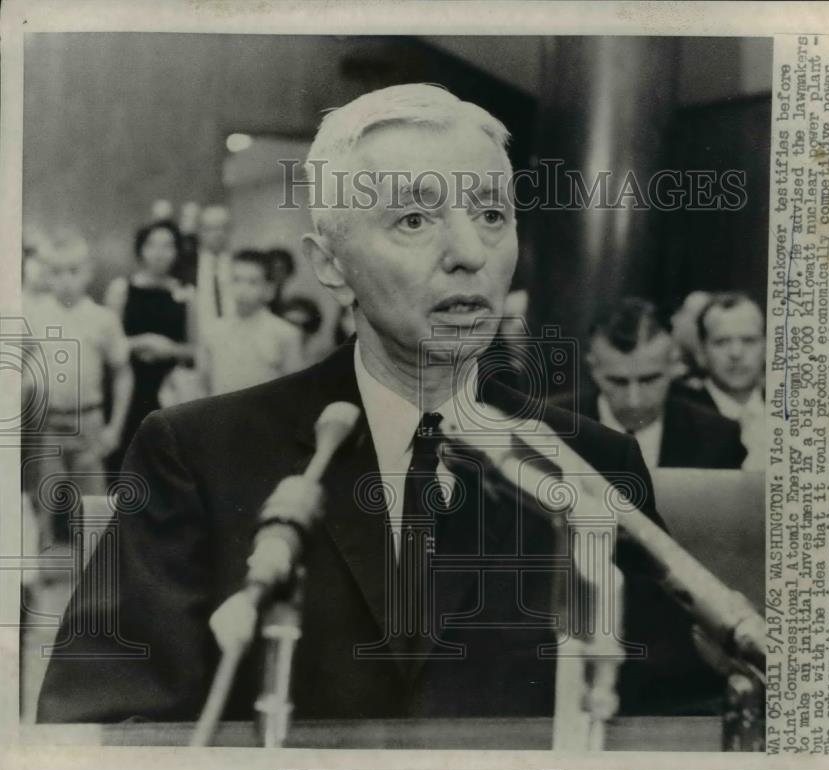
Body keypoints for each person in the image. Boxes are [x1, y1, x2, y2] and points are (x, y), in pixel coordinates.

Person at [38, 85, 718, 724]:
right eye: (415, 219)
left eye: (491, 214)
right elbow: (101, 721)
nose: (468, 253)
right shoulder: (196, 455)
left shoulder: (590, 461)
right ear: (331, 264)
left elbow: (678, 719)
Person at [22, 231, 133, 549]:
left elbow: (123, 373)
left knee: (94, 505)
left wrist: (115, 427)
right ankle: (36, 581)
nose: (65, 281)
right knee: (42, 500)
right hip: (47, 425)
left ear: (88, 273)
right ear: (46, 275)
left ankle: (93, 576)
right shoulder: (34, 315)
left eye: (73, 271)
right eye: (56, 273)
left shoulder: (103, 319)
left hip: (90, 422)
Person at [581, 297, 746, 471]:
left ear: (674, 365)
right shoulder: (552, 428)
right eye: (617, 382)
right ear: (593, 369)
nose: (634, 401)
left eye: (649, 380)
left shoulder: (718, 437)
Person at [104, 220, 195, 475]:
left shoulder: (185, 293)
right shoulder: (121, 289)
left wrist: (170, 350)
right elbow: (107, 343)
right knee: (123, 462)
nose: (159, 252)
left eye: (167, 246)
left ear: (177, 252)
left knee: (162, 462)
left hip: (168, 388)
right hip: (127, 386)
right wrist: (140, 342)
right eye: (152, 245)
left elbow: (195, 349)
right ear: (141, 249)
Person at [672, 293, 767, 470]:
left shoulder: (790, 412)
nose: (736, 353)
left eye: (749, 340)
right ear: (701, 352)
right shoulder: (679, 417)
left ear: (766, 346)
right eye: (721, 342)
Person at [199, 250, 305, 395]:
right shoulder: (213, 331)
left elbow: (296, 390)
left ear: (269, 290)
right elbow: (204, 385)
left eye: (252, 282)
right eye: (236, 280)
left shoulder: (285, 333)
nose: (242, 290)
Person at [193, 204, 234, 333]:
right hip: (199, 340)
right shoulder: (186, 267)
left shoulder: (239, 265)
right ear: (199, 231)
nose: (218, 234)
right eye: (211, 229)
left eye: (223, 228)